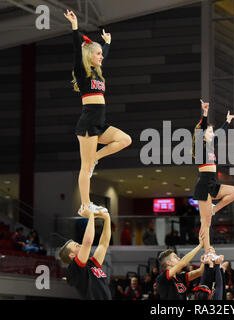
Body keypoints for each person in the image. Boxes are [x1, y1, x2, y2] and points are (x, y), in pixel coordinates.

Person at [64, 10, 132, 215]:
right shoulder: (82, 71)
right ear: (89, 56)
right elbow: (78, 49)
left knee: (125, 139)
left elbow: (103, 55)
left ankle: (96, 158)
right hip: (88, 123)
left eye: (102, 54)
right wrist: (75, 27)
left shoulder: (97, 72)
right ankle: (84, 205)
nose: (102, 57)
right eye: (99, 54)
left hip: (100, 123)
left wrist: (107, 44)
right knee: (85, 169)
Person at [192, 99, 234, 258]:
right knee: (206, 223)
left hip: (213, 183)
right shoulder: (200, 146)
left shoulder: (211, 145)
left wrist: (227, 122)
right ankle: (207, 252)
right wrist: (205, 112)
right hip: (204, 185)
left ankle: (214, 209)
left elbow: (221, 134)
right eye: (210, 132)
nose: (212, 134)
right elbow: (201, 129)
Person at [58, 208, 112, 299]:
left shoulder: (91, 264)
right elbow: (87, 242)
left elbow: (103, 244)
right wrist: (90, 216)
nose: (80, 245)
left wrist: (107, 219)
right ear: (72, 256)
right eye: (76, 245)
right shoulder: (75, 268)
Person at [156, 233, 205, 300]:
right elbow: (183, 263)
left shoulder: (180, 277)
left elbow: (200, 271)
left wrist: (207, 255)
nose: (179, 258)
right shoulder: (162, 278)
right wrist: (200, 245)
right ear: (168, 262)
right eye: (175, 257)